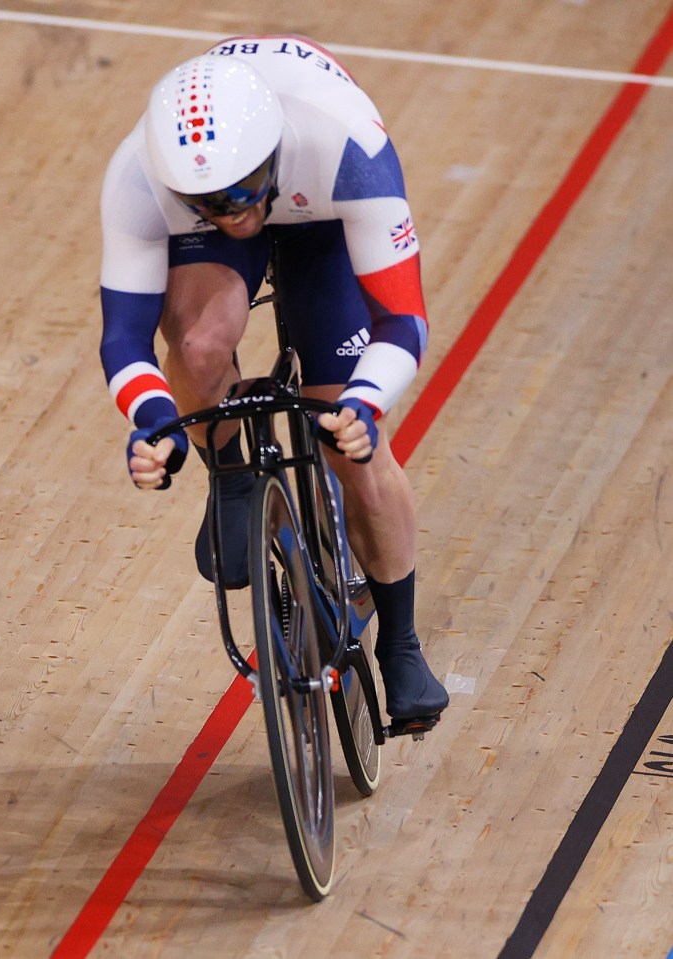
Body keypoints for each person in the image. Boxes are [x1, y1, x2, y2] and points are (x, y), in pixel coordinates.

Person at [99, 35, 449, 722]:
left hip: (319, 212)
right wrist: (153, 424)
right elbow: (123, 338)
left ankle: (401, 646)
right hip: (249, 197)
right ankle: (229, 472)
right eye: (206, 203)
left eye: (235, 196)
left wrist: (365, 401)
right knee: (199, 349)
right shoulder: (139, 176)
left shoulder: (349, 148)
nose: (228, 215)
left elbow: (404, 322)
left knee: (351, 446)